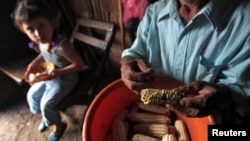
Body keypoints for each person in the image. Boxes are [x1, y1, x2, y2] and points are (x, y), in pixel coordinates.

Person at [120, 0, 250, 124]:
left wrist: (223, 92)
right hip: (155, 111)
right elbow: (135, 52)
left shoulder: (245, 21)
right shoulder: (154, 11)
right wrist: (128, 60)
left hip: (212, 122)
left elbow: (240, 87)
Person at [12, 0, 86, 140]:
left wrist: (57, 73)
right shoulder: (41, 42)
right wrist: (33, 65)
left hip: (66, 78)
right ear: (24, 30)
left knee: (47, 103)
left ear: (52, 23)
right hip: (50, 75)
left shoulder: (62, 46)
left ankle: (58, 125)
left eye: (41, 26)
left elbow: (79, 65)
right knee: (32, 95)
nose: (38, 34)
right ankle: (48, 118)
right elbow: (44, 54)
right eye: (31, 29)